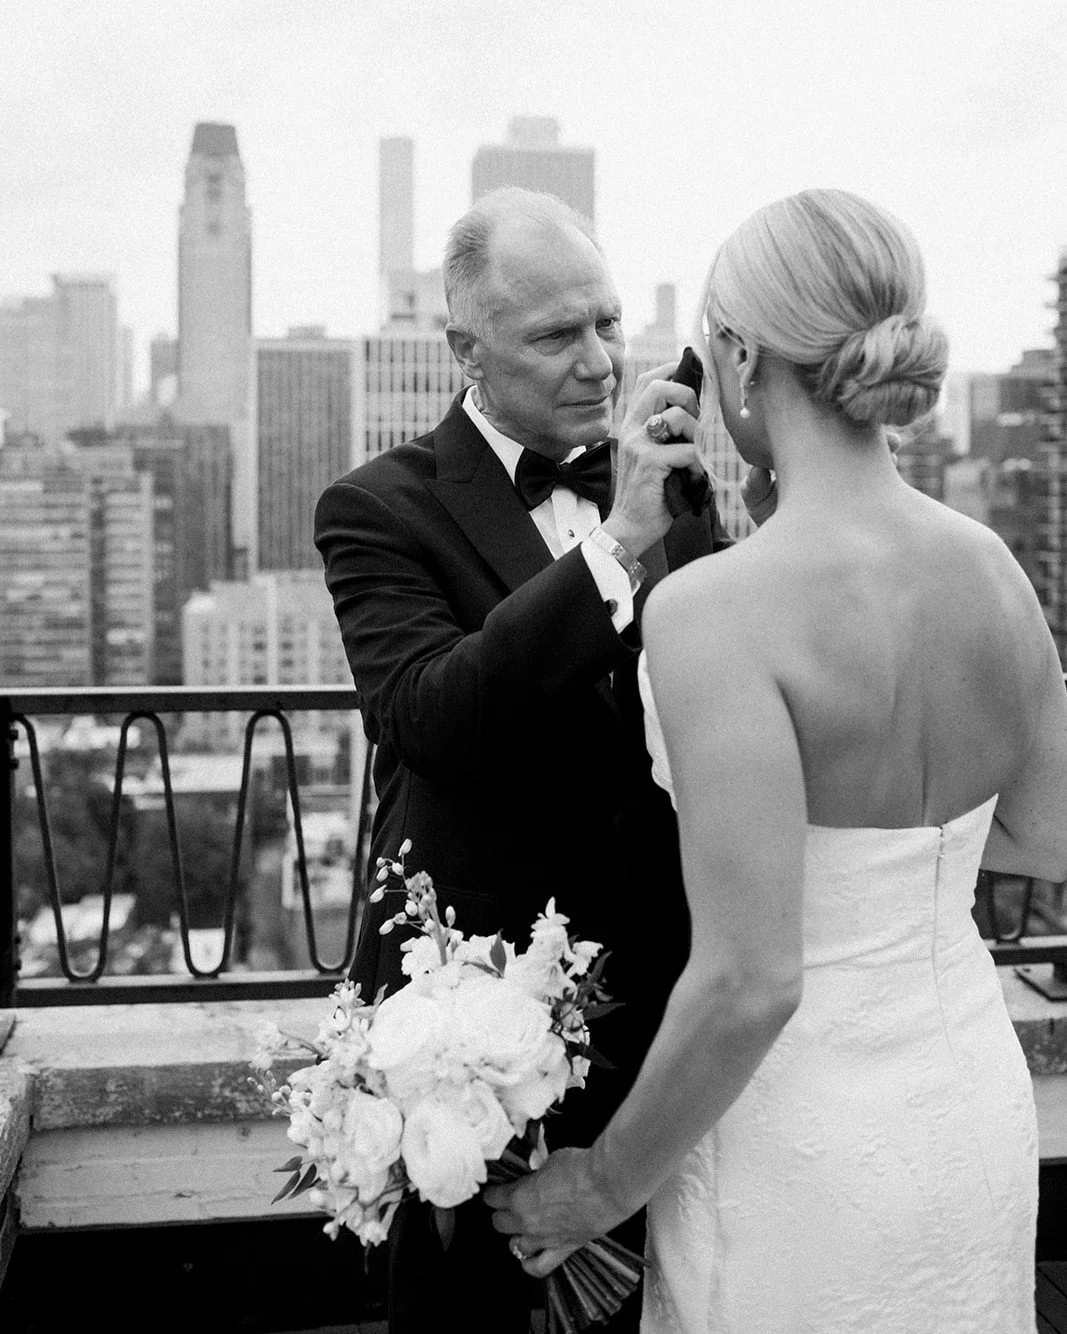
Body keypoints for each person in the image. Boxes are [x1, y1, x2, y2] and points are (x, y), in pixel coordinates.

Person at [486, 187, 1067, 1333]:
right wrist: (904, 859)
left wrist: (602, 1181)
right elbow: (1051, 833)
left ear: (739, 362)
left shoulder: (715, 609)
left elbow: (751, 979)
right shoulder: (989, 565)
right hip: (965, 1120)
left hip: (795, 1150)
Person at [314, 187, 737, 1332]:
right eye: (557, 334)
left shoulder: (673, 495)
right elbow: (430, 713)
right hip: (473, 1061)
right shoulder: (376, 507)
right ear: (465, 348)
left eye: (607, 322)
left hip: (662, 1043)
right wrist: (616, 546)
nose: (599, 359)